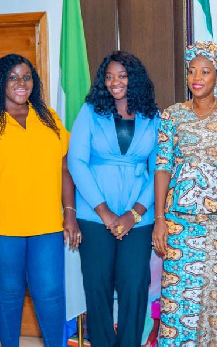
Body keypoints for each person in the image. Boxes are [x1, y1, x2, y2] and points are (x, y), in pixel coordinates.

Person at [0, 54, 76, 347]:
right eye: (13, 77)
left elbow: (65, 169)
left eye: (26, 77)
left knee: (50, 292)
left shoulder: (49, 117)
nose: (20, 83)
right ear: (1, 82)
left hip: (46, 224)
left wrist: (70, 213)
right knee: (10, 292)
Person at [153, 41, 217, 345]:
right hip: (179, 221)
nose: (197, 77)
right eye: (192, 71)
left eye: (205, 71)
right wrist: (159, 220)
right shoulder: (172, 115)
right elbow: (163, 166)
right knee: (180, 299)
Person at [68, 51, 160, 347]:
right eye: (109, 77)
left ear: (134, 79)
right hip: (94, 215)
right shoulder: (90, 111)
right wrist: (106, 213)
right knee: (98, 287)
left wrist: (133, 214)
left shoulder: (153, 116)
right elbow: (76, 162)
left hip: (140, 215)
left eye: (122, 76)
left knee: (135, 285)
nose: (114, 82)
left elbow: (160, 168)